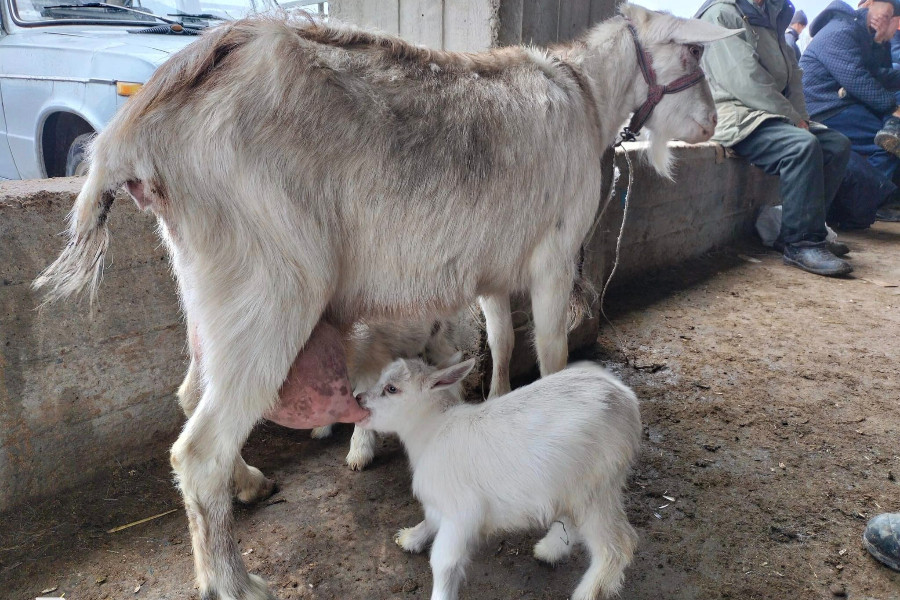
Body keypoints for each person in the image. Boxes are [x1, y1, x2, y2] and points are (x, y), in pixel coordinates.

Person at [695, 0, 853, 277]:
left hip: (770, 112)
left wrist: (800, 117)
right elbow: (745, 80)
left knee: (837, 145)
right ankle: (800, 242)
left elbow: (793, 78)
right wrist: (793, 119)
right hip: (734, 112)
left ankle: (810, 230)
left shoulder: (773, 14)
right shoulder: (721, 14)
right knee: (801, 147)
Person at [800, 0, 900, 222]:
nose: (888, 22)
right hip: (823, 108)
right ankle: (855, 209)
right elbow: (859, 80)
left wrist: (880, 42)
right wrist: (894, 109)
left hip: (842, 103)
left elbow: (877, 73)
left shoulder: (861, 33)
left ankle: (870, 203)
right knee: (887, 142)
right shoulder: (840, 31)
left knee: (891, 131)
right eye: (889, 14)